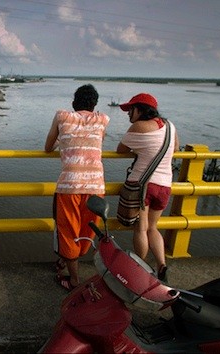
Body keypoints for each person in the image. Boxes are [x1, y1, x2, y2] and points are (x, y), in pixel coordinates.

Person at [45, 84, 110, 291]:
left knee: (68, 231)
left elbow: (48, 147)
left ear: (74, 102)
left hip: (70, 185)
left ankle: (73, 280)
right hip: (95, 186)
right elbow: (99, 141)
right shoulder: (103, 119)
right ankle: (68, 259)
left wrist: (62, 142)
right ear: (95, 104)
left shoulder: (62, 116)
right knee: (87, 231)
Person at [116, 93, 179, 282]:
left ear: (141, 110)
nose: (128, 115)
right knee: (153, 228)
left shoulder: (139, 126)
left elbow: (121, 149)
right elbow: (175, 148)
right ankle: (162, 265)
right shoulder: (170, 126)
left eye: (131, 110)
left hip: (143, 186)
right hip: (165, 186)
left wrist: (141, 148)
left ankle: (140, 268)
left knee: (141, 229)